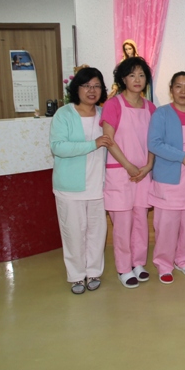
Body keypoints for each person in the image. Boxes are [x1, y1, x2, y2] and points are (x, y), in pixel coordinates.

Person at [49, 67, 112, 294]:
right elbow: (58, 147)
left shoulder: (104, 114)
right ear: (76, 88)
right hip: (70, 187)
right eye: (86, 86)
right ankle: (76, 276)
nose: (91, 90)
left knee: (97, 233)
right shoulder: (64, 114)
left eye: (96, 86)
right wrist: (93, 144)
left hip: (99, 185)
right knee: (73, 234)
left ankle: (93, 272)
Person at [101, 56, 156, 288]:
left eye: (141, 75)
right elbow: (108, 140)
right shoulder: (113, 104)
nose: (137, 79)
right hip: (120, 171)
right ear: (123, 79)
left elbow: (154, 141)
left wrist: (149, 165)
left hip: (143, 173)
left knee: (141, 221)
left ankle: (138, 263)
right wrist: (128, 166)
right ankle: (123, 268)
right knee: (122, 225)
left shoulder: (150, 107)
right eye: (132, 75)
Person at [147, 72, 185, 284]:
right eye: (178, 86)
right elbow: (154, 143)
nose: (183, 91)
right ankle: (164, 264)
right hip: (168, 178)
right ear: (171, 90)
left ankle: (184, 260)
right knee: (166, 226)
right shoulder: (161, 114)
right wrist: (182, 157)